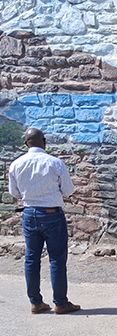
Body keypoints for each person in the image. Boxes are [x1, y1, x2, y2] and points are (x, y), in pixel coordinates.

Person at [8, 128, 80, 315]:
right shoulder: (55, 163)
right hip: (52, 214)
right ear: (44, 141)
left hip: (29, 213)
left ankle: (36, 302)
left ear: (26, 143)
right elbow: (68, 190)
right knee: (57, 258)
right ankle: (61, 303)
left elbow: (14, 193)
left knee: (31, 258)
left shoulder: (16, 164)